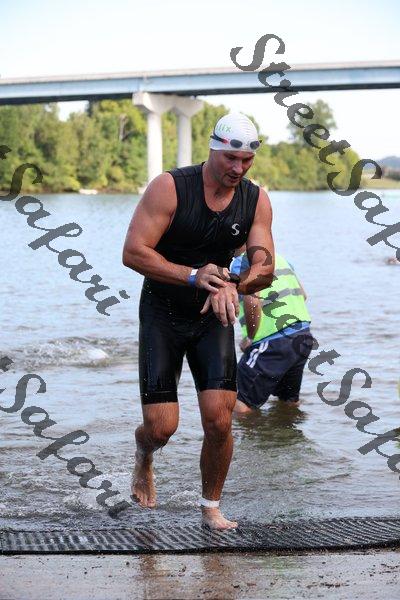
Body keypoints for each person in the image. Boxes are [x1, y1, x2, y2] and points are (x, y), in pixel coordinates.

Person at [122, 112, 275, 530]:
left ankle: (211, 507)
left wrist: (234, 283)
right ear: (213, 149)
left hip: (214, 313)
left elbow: (265, 266)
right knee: (161, 427)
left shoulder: (256, 200)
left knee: (220, 419)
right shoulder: (170, 187)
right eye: (231, 158)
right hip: (163, 313)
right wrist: (193, 275)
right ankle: (144, 455)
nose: (238, 168)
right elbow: (133, 251)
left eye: (247, 160)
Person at [231, 252, 313, 413]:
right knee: (288, 401)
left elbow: (252, 301)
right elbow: (303, 295)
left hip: (272, 341)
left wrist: (250, 337)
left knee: (238, 402)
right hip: (302, 336)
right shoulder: (280, 258)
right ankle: (288, 427)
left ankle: (243, 430)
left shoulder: (242, 262)